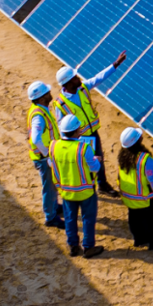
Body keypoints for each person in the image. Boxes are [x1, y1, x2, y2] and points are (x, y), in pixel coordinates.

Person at [53, 51, 128, 198]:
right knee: (83, 163)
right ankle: (86, 188)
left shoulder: (82, 88)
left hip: (93, 134)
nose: (78, 77)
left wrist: (115, 64)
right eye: (74, 77)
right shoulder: (60, 104)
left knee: (98, 159)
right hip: (78, 139)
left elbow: (98, 78)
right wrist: (69, 143)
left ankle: (102, 185)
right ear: (68, 83)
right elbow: (61, 127)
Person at [49, 114, 104, 258]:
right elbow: (95, 168)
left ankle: (73, 246)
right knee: (88, 219)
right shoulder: (84, 148)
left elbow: (52, 163)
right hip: (85, 191)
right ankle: (88, 247)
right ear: (76, 131)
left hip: (66, 191)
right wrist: (96, 160)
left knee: (70, 219)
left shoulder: (54, 146)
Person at [117, 127, 153, 250]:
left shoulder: (122, 156)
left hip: (129, 197)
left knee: (134, 219)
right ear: (138, 141)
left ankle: (138, 240)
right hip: (145, 198)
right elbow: (152, 179)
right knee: (149, 221)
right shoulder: (145, 159)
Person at [27, 81, 63, 229]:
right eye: (47, 93)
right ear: (41, 99)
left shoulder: (39, 109)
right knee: (49, 187)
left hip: (45, 157)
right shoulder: (38, 116)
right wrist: (47, 155)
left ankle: (54, 206)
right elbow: (36, 138)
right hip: (44, 159)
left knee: (52, 185)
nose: (50, 94)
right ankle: (50, 217)